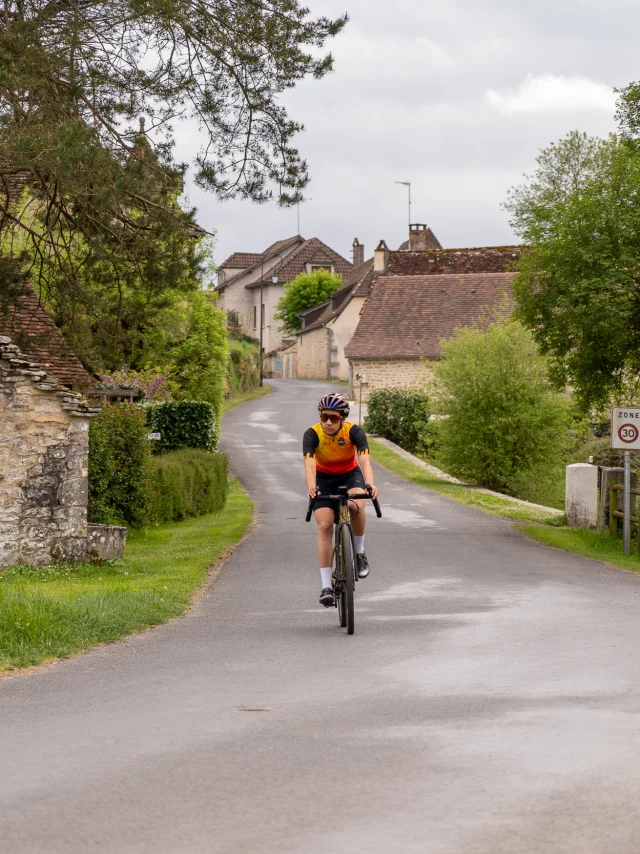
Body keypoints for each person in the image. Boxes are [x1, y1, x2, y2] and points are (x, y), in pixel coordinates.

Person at [303, 392, 379, 607]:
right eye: (324, 416)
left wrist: (371, 484)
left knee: (356, 506)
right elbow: (309, 465)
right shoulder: (312, 434)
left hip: (349, 473)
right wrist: (311, 486)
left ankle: (359, 551)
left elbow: (364, 461)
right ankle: (326, 585)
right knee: (325, 524)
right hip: (323, 478)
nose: (327, 422)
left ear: (343, 418)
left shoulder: (354, 432)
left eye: (333, 418)